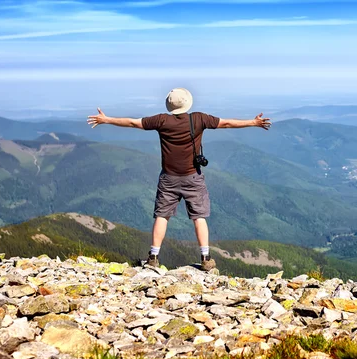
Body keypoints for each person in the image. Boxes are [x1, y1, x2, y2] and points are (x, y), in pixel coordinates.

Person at [87, 88, 271, 271]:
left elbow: (133, 123)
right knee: (199, 217)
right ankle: (206, 259)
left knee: (162, 216)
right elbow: (228, 124)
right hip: (193, 177)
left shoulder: (161, 120)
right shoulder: (199, 119)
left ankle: (153, 257)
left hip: (168, 177)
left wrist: (106, 119)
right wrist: (253, 122)